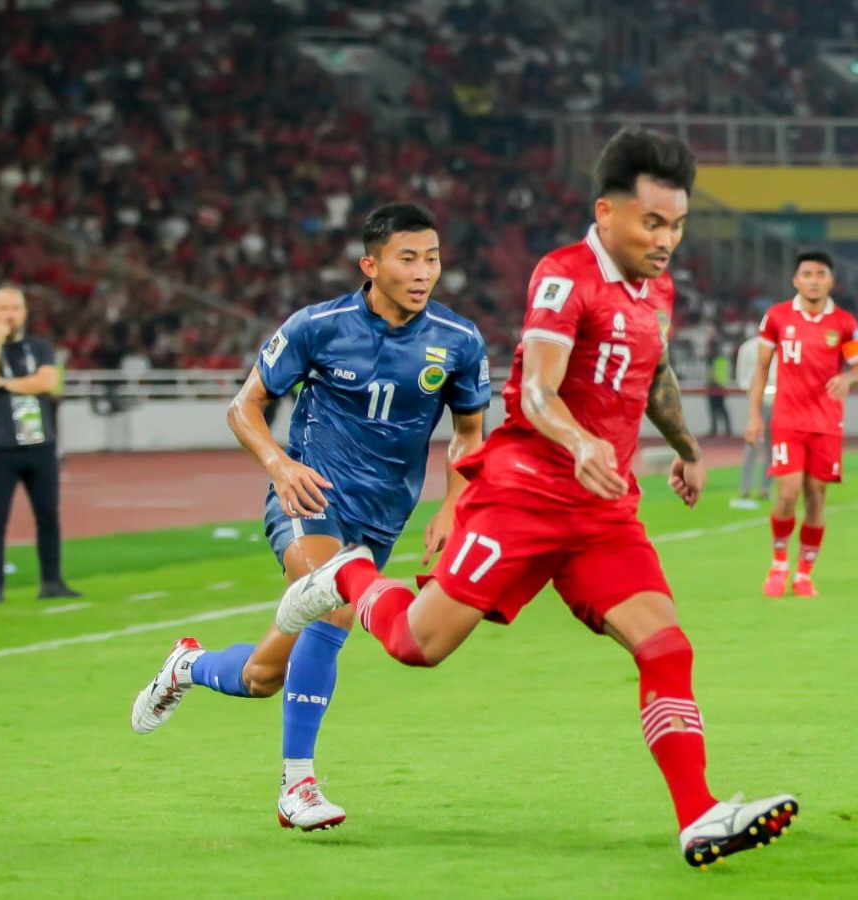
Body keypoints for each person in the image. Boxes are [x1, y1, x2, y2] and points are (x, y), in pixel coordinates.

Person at [266, 129, 796, 867]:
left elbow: (656, 369)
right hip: (525, 495)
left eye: (677, 224)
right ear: (606, 212)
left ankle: (699, 815)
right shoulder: (563, 275)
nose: (667, 238)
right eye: (653, 222)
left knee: (667, 646)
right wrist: (581, 443)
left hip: (602, 512)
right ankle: (343, 573)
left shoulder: (657, 287)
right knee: (419, 645)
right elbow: (539, 390)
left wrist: (684, 447)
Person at [129, 203, 491, 832]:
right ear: (370, 265)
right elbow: (246, 407)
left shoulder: (458, 341)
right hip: (310, 498)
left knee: (262, 676)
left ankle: (187, 665)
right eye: (408, 258)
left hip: (382, 519)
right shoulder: (317, 326)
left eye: (431, 257)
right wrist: (279, 464)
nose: (423, 271)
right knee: (336, 603)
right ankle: (298, 786)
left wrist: (454, 504)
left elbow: (468, 434)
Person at [743, 251, 858, 598]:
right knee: (787, 493)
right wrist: (753, 414)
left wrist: (849, 379)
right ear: (796, 280)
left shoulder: (844, 323)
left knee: (815, 497)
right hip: (787, 418)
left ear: (830, 280)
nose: (813, 279)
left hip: (827, 422)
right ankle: (779, 564)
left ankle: (804, 574)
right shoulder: (777, 317)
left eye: (820, 274)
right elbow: (761, 370)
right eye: (807, 274)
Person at [0, 285, 81, 604]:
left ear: (25, 312)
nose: (10, 315)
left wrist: (2, 384)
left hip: (40, 445)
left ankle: (52, 581)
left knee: (47, 515)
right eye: (2, 309)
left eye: (15, 308)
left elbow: (46, 381)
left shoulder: (40, 348)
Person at [730, 321, 775, 510]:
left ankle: (751, 488)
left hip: (764, 397)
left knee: (761, 445)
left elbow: (742, 377)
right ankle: (759, 488)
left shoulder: (749, 347)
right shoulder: (760, 348)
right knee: (765, 445)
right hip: (766, 397)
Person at [705, 338, 732, 436]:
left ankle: (727, 429)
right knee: (714, 409)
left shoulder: (719, 359)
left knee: (721, 408)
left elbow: (721, 374)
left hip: (718, 386)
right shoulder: (712, 359)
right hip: (712, 386)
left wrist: (716, 382)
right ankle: (715, 428)